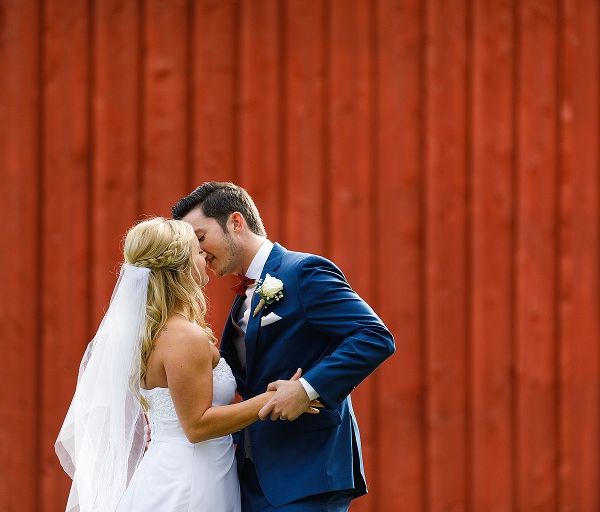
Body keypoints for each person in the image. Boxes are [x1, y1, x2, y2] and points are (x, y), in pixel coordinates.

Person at [55, 217, 318, 512]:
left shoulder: (152, 332)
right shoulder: (183, 336)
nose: (204, 256)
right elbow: (196, 425)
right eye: (196, 250)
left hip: (182, 469)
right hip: (189, 481)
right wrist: (272, 399)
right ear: (181, 267)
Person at [172, 182, 396, 511]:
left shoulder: (303, 272)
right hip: (250, 478)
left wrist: (307, 389)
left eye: (201, 237)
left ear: (236, 223)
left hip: (307, 473)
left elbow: (373, 336)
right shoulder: (240, 302)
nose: (199, 253)